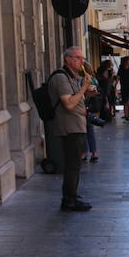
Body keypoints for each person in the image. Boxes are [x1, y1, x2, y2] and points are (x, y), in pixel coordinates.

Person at [48, 46, 93, 211]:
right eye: (78, 58)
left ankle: (72, 194)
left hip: (77, 124)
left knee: (75, 163)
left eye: (82, 57)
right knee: (72, 164)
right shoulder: (61, 77)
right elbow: (68, 104)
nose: (82, 61)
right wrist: (83, 88)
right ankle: (69, 200)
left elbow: (77, 99)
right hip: (69, 126)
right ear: (68, 59)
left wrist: (86, 90)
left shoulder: (72, 76)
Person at [81, 61, 102, 163]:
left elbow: (84, 93)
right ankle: (94, 152)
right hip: (93, 107)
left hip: (84, 107)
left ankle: (84, 153)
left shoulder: (84, 79)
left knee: (84, 131)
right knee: (90, 130)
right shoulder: (94, 79)